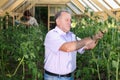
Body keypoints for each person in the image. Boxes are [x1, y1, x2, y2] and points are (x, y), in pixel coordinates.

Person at [44, 10, 104, 80]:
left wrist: (96, 38)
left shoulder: (71, 35)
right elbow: (67, 48)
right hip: (54, 77)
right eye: (66, 20)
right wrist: (90, 38)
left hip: (70, 76)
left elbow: (88, 46)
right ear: (58, 21)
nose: (69, 23)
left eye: (70, 20)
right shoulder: (52, 34)